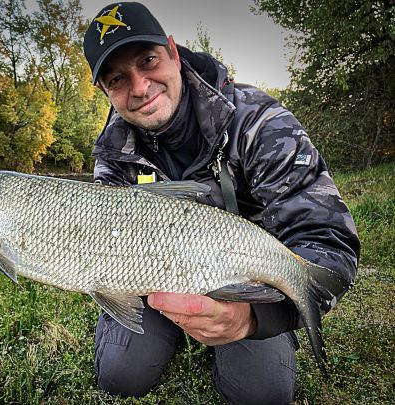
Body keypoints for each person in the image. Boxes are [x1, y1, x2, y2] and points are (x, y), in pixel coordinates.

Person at [82, 2, 360, 403]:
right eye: (118, 79)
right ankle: (173, 330)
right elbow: (97, 246)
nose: (140, 87)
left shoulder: (258, 120)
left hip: (247, 281)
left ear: (174, 53)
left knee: (262, 395)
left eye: (148, 61)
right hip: (150, 282)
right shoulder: (113, 153)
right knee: (120, 376)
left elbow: (326, 239)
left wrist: (253, 319)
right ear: (106, 91)